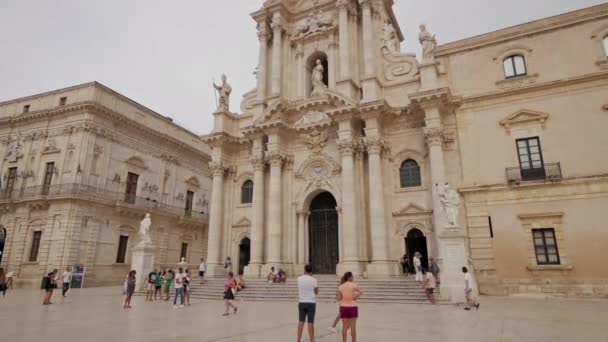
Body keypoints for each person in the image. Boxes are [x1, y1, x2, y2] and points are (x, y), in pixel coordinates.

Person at [337, 272, 362, 342]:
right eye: (352, 277)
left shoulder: (341, 286)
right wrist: (354, 297)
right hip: (353, 307)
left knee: (344, 326)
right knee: (353, 327)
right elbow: (361, 292)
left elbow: (338, 298)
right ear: (349, 278)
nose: (353, 278)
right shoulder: (354, 285)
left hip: (344, 307)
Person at [297, 265, 318, 342]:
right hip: (311, 303)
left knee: (301, 322)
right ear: (311, 271)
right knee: (310, 323)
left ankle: (298, 340)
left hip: (302, 302)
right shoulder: (314, 280)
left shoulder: (299, 279)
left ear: (304, 270)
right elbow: (316, 292)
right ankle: (312, 340)